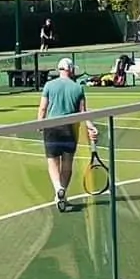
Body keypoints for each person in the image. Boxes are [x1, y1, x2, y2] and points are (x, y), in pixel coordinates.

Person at [38, 58, 97, 212]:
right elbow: (83, 112)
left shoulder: (49, 85)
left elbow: (43, 108)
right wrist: (91, 127)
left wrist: (39, 123)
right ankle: (62, 193)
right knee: (67, 163)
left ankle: (58, 188)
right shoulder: (78, 88)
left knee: (52, 162)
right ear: (70, 69)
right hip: (69, 129)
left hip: (51, 127)